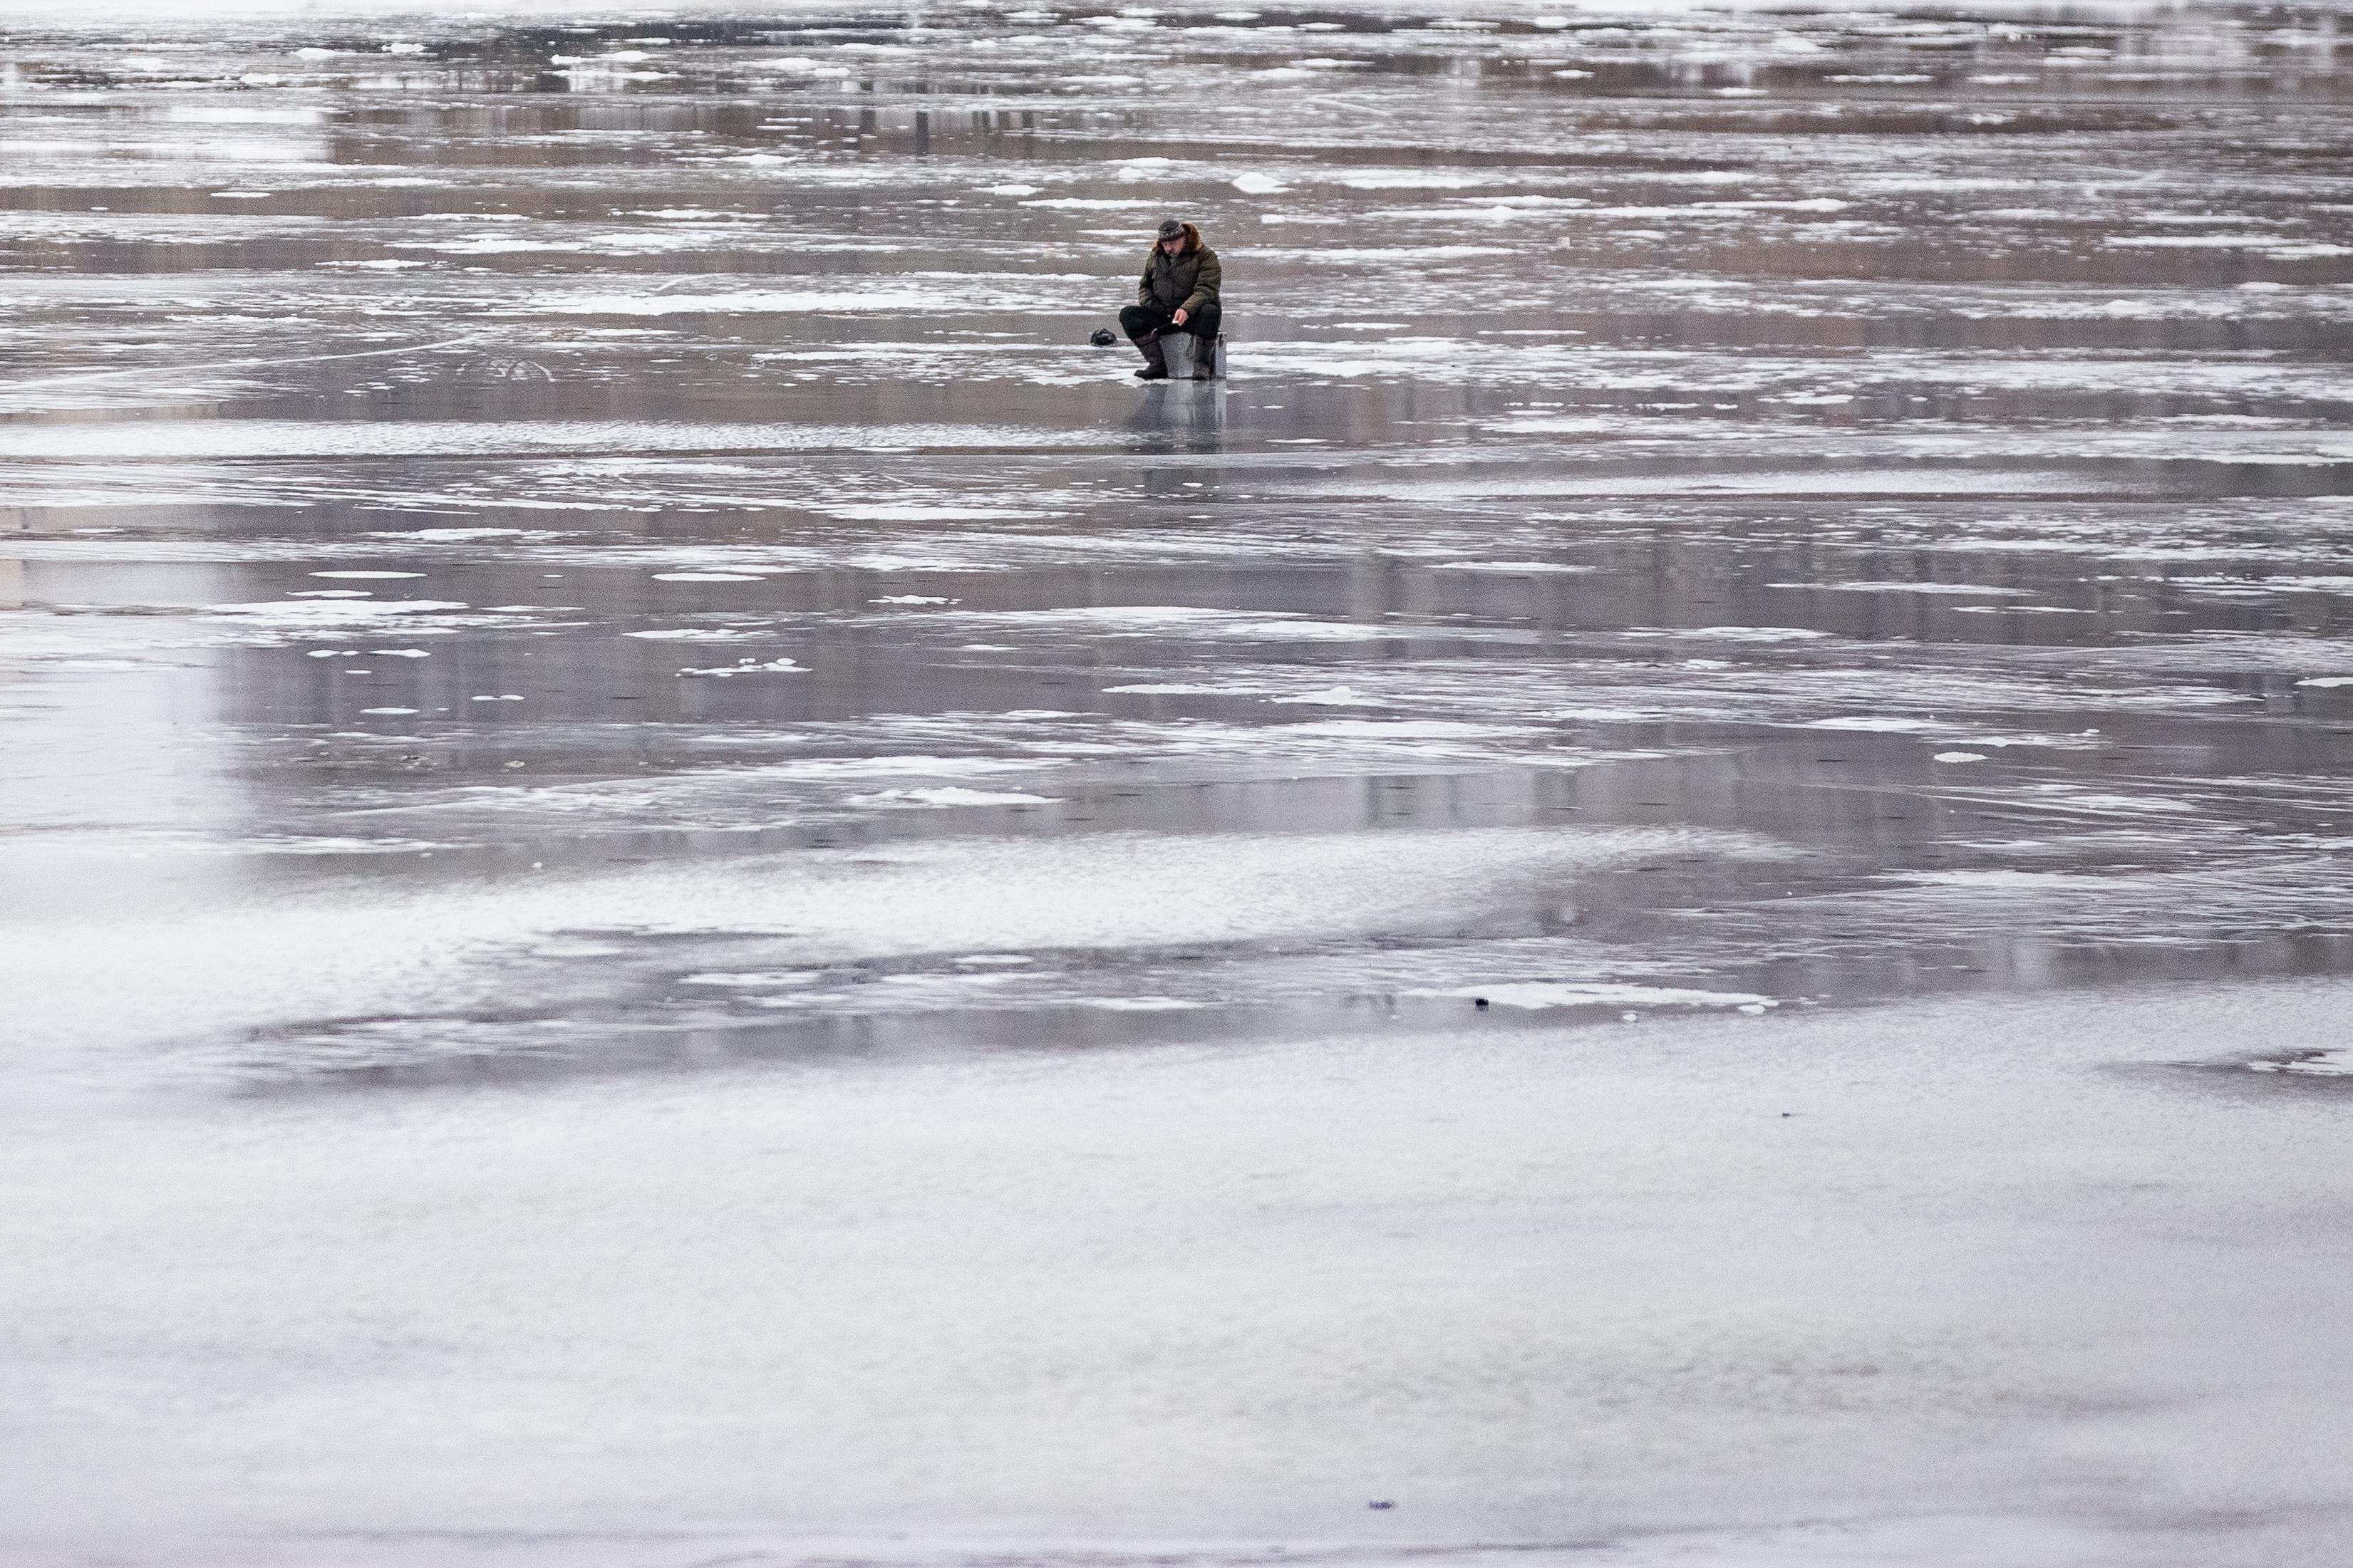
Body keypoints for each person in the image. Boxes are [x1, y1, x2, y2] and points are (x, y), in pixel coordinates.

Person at [1119, 218, 1221, 380]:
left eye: (1173, 243)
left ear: (1184, 239)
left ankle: (1202, 365)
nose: (1169, 248)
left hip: (1194, 317)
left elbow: (1207, 289)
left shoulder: (1205, 255)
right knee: (1128, 315)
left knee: (1210, 311)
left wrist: (1187, 309)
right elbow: (1144, 287)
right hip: (1165, 316)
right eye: (1165, 244)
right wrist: (1153, 305)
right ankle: (1157, 365)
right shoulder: (1155, 256)